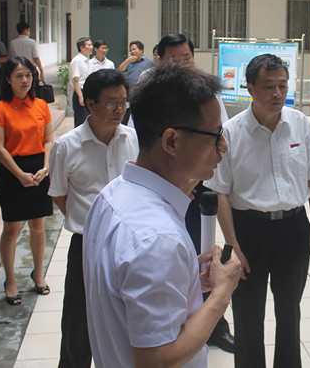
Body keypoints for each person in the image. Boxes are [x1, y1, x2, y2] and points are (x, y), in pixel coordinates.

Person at [83, 62, 242, 368]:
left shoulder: (112, 195)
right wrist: (222, 292)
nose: (223, 146)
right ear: (171, 141)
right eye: (215, 134)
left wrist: (186, 282)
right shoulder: (157, 239)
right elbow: (156, 360)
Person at [205, 53, 310, 368]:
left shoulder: (299, 124)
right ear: (250, 89)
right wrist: (234, 245)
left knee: (290, 312)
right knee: (248, 315)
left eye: (282, 85)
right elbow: (220, 192)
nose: (277, 93)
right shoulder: (231, 132)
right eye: (269, 86)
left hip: (293, 228)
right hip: (248, 229)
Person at [48, 69, 139, 368]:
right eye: (111, 102)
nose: (119, 109)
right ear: (90, 104)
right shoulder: (66, 146)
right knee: (78, 319)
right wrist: (90, 223)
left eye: (123, 102)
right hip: (86, 245)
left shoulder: (132, 139)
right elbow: (59, 194)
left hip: (128, 244)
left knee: (126, 315)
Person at [153, 33, 235, 352]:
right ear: (161, 61)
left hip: (202, 184)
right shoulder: (154, 98)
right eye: (174, 59)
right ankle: (180, 319)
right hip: (169, 185)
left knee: (205, 251)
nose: (182, 64)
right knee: (177, 251)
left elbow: (220, 136)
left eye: (186, 57)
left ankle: (214, 326)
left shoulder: (207, 94)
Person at [0, 57, 54, 306]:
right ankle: (10, 280)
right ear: (8, 79)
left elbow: (48, 140)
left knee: (38, 226)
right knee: (11, 228)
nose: (25, 80)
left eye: (28, 75)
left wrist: (46, 167)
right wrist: (19, 174)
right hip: (12, 171)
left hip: (39, 169)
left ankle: (38, 274)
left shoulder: (41, 105)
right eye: (18, 75)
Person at [70, 36, 93, 127]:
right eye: (89, 45)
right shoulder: (77, 60)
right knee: (81, 121)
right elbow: (75, 80)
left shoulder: (88, 61)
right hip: (80, 92)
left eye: (91, 45)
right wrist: (80, 96)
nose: (91, 47)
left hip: (87, 92)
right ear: (82, 48)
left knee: (88, 120)